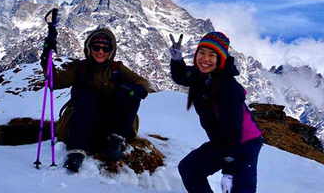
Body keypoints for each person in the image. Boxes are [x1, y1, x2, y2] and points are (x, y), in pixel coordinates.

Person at [43, 27, 150, 173]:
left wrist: (139, 89)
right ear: (89, 48)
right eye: (96, 47)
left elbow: (140, 81)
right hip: (83, 119)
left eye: (106, 48)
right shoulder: (80, 68)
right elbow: (54, 82)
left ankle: (115, 141)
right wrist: (46, 60)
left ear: (111, 51)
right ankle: (77, 151)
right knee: (88, 95)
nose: (101, 52)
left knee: (128, 93)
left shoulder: (117, 68)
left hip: (111, 121)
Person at [169, 32, 263, 193]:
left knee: (240, 188)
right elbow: (183, 76)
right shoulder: (201, 76)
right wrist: (177, 59)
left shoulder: (229, 88)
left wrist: (228, 172)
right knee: (190, 168)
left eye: (212, 55)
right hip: (223, 140)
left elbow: (233, 131)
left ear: (221, 59)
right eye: (202, 53)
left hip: (245, 142)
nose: (205, 59)